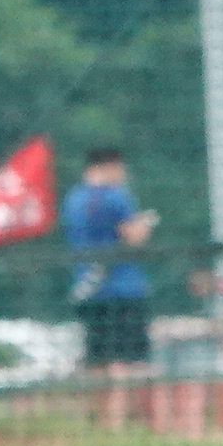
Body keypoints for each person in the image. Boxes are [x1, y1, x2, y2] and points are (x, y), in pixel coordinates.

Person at [61, 145, 157, 374]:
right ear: (110, 167)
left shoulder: (73, 199)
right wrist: (145, 224)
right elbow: (133, 236)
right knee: (133, 361)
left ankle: (104, 398)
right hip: (124, 289)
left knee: (100, 362)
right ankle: (129, 398)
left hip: (88, 288)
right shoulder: (115, 196)